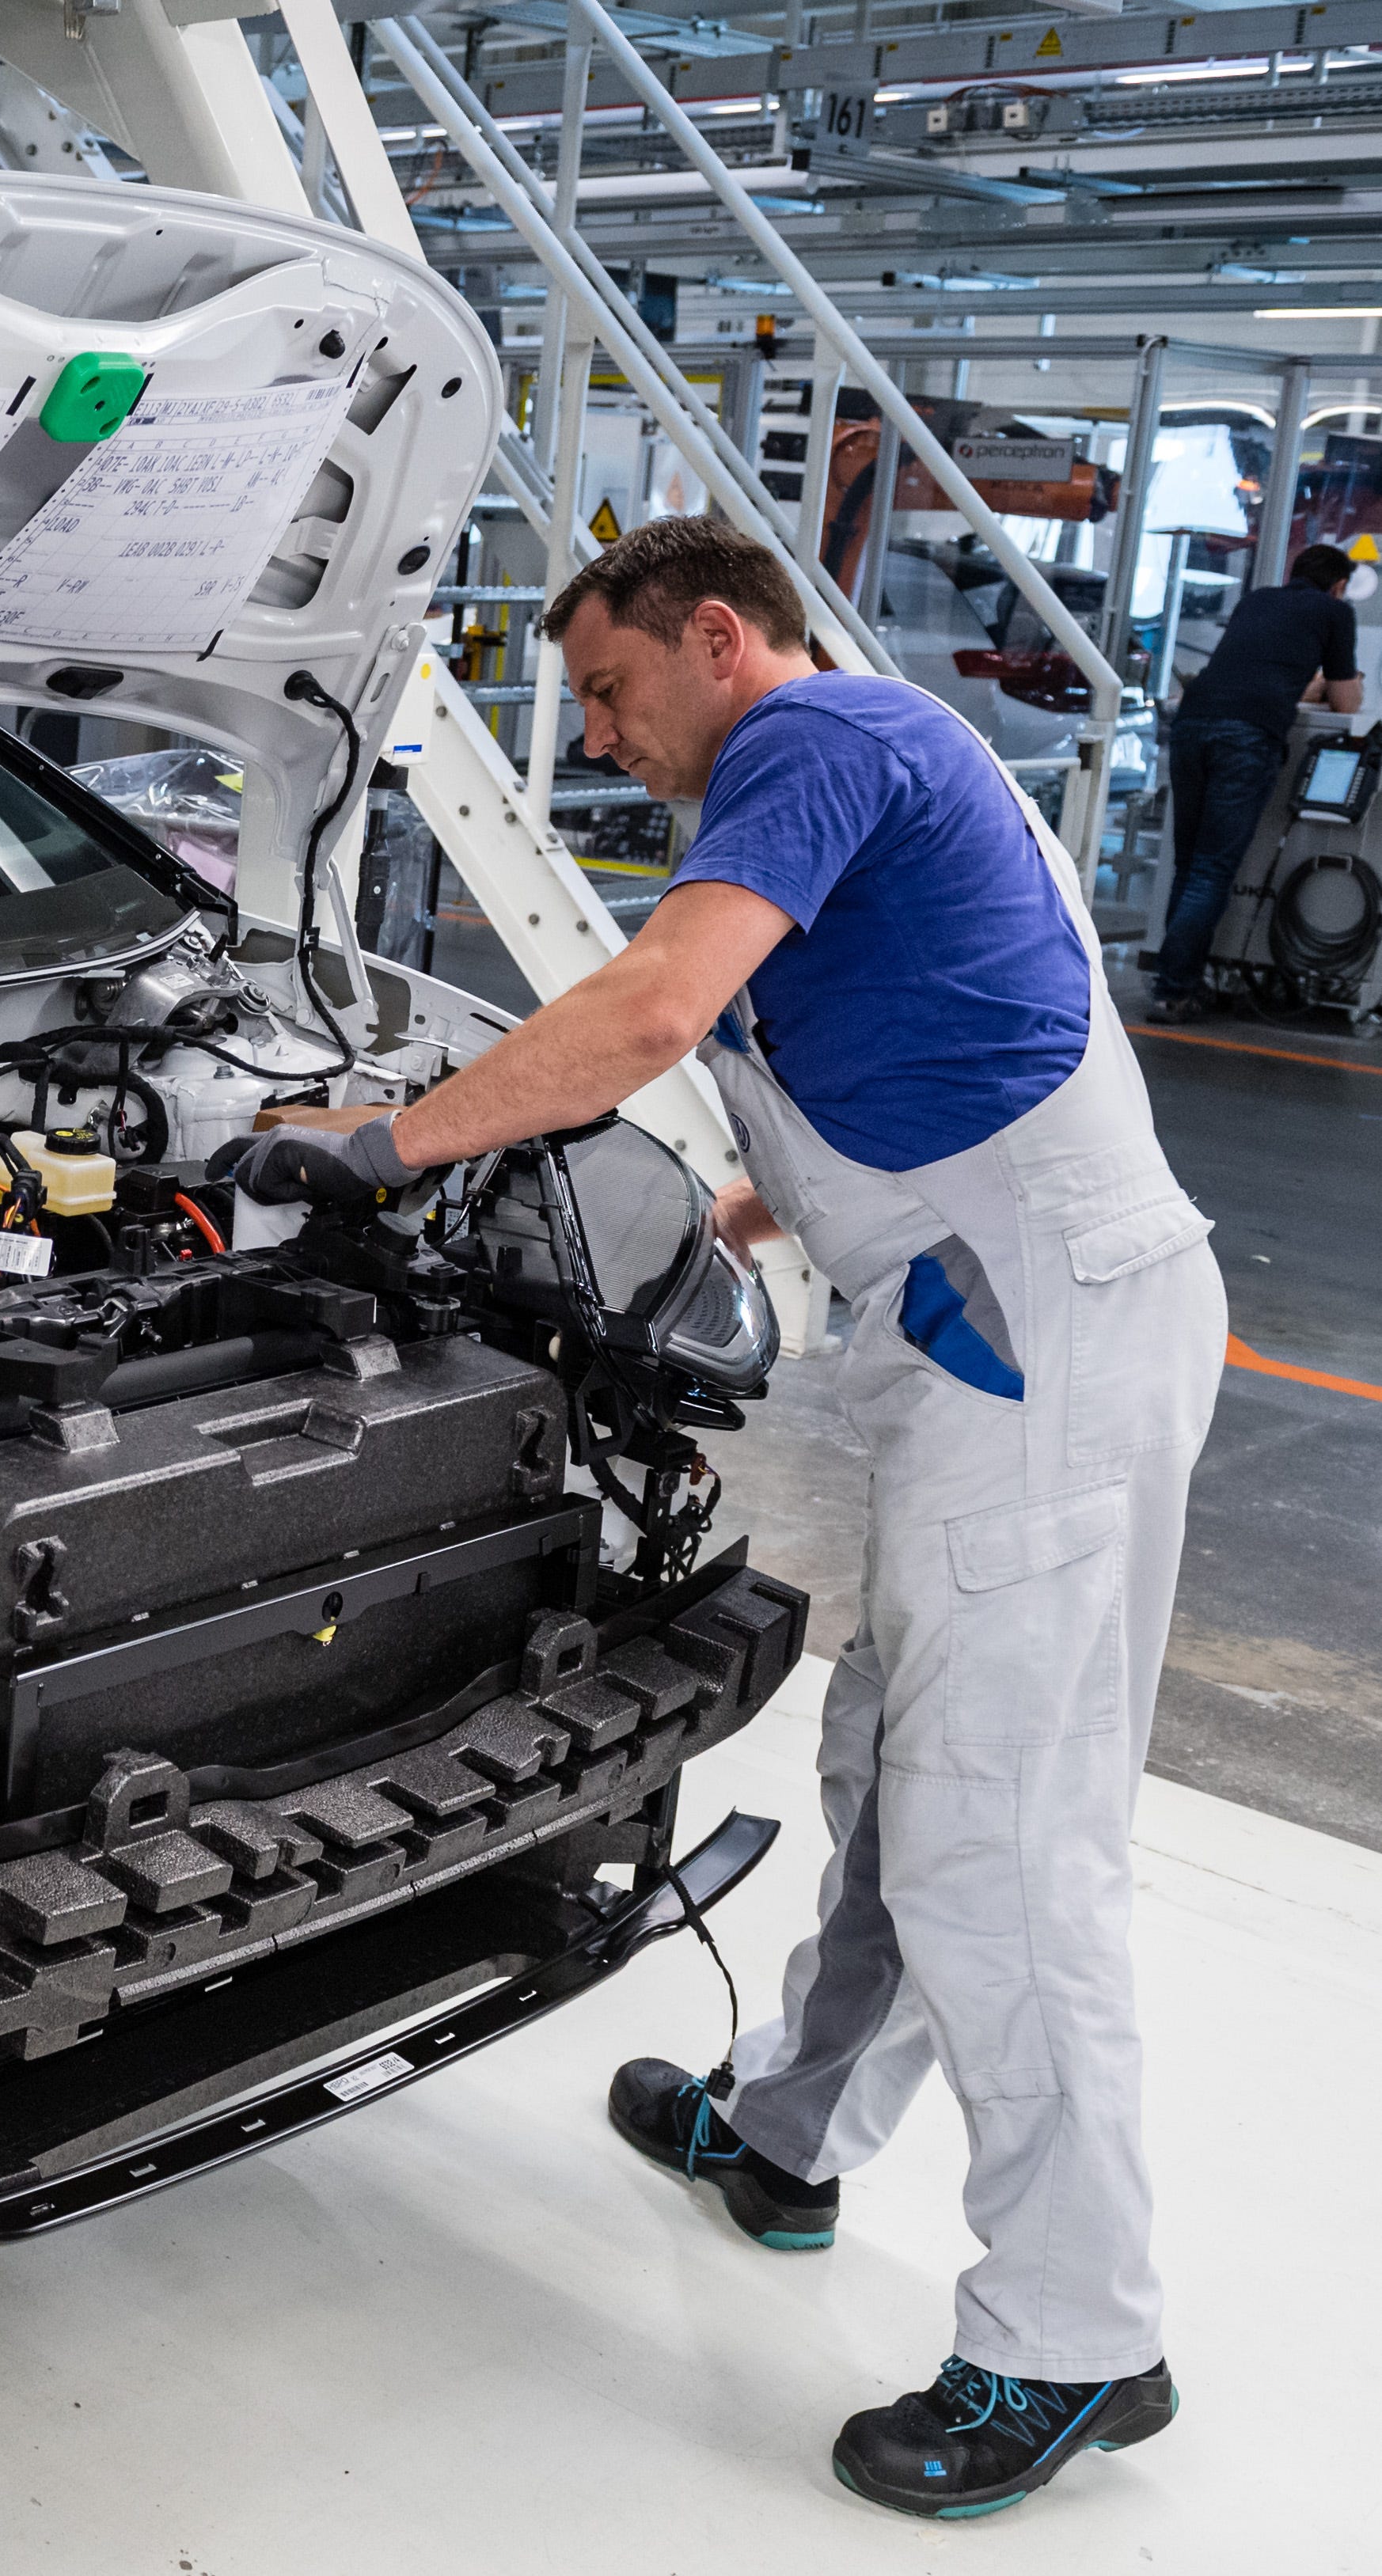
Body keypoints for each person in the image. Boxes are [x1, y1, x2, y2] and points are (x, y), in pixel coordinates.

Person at [233, 514, 1224, 2521]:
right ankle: (783, 2137)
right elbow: (931, 1055)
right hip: (984, 1313)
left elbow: (658, 1011)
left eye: (606, 689)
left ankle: (1076, 2335)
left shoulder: (812, 740)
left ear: (714, 635)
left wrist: (386, 1144)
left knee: (1001, 1850)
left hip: (1039, 1344)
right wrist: (736, 1217)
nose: (597, 735)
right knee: (898, 1773)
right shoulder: (900, 764)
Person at [1150, 540, 1364, 1023]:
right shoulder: (1334, 613)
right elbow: (1348, 703)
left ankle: (1178, 982)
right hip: (1247, 737)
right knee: (1210, 871)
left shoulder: (1257, 600)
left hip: (1193, 726)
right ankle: (1174, 988)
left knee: (1189, 866)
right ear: (1340, 585)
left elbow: (1257, 668)